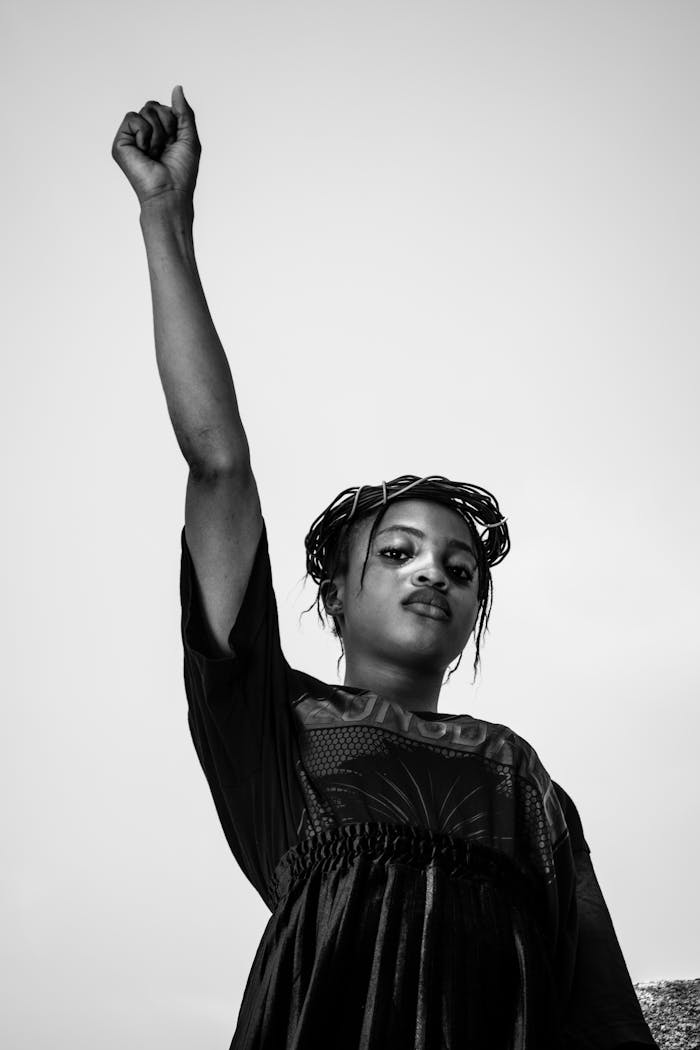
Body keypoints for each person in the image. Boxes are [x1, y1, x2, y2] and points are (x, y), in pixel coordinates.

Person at [111, 85, 661, 1050]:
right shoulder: (277, 726)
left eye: (459, 568)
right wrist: (168, 219)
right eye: (399, 553)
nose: (433, 575)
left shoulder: (516, 775)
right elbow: (219, 466)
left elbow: (601, 1006)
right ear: (333, 592)